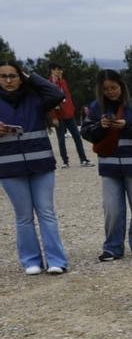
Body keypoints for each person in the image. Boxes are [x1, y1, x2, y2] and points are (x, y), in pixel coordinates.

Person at [0, 60, 69, 275]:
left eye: (13, 75)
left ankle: (56, 260)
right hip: (10, 168)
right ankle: (31, 261)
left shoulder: (36, 98)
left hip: (41, 165)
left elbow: (57, 95)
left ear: (21, 77)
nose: (9, 80)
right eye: (4, 76)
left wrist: (31, 76)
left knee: (46, 212)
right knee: (23, 217)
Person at [81, 69, 132, 261]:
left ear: (122, 86)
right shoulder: (96, 108)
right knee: (112, 210)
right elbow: (86, 132)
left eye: (114, 87)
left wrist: (128, 126)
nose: (111, 92)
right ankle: (113, 247)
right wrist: (100, 126)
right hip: (110, 168)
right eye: (106, 89)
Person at [48, 65, 91, 168]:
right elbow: (49, 102)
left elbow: (67, 96)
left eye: (60, 69)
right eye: (57, 69)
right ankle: (65, 161)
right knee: (61, 140)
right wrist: (53, 117)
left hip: (69, 114)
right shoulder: (48, 84)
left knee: (77, 137)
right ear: (52, 70)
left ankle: (83, 159)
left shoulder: (63, 82)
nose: (59, 72)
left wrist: (72, 109)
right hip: (58, 116)